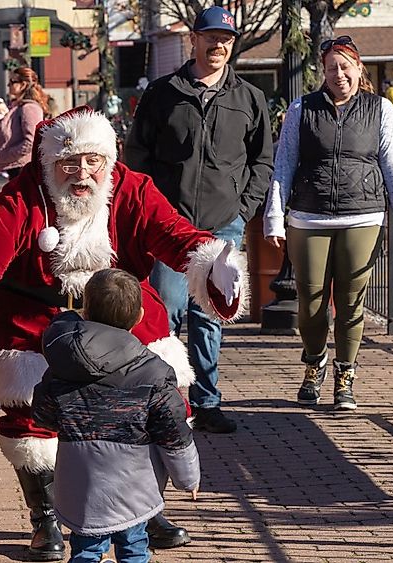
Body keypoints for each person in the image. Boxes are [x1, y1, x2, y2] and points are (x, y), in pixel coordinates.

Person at [0, 107, 247, 559]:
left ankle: (144, 509)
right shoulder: (22, 195)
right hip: (37, 320)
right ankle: (47, 519)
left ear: (108, 159)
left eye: (93, 161)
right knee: (32, 419)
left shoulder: (132, 187)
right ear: (48, 164)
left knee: (163, 400)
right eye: (69, 163)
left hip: (122, 311)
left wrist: (212, 262)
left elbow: (174, 234)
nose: (83, 174)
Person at [125, 6, 274, 434]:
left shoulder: (249, 98)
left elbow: (262, 161)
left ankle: (207, 403)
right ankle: (165, 401)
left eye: (226, 39)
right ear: (194, 38)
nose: (219, 45)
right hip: (170, 226)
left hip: (223, 225)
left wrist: (243, 208)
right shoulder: (162, 93)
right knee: (166, 313)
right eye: (211, 37)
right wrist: (152, 209)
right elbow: (137, 157)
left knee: (211, 317)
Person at [263, 35, 393, 410]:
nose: (339, 75)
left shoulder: (380, 110)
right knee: (312, 303)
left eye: (345, 67)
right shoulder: (302, 109)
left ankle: (345, 377)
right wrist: (275, 219)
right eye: (332, 68)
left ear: (359, 68)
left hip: (363, 217)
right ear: (323, 71)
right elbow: (283, 165)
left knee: (351, 303)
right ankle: (313, 363)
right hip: (308, 217)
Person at [32, 268, 200, 562]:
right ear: (139, 317)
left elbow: (43, 414)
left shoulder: (63, 362)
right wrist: (188, 479)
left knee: (85, 551)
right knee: (134, 548)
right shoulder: (153, 372)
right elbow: (174, 434)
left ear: (84, 311)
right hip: (133, 487)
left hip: (79, 486)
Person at [0, 66, 48, 179]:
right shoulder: (17, 106)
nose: (8, 85)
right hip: (16, 167)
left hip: (24, 167)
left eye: (12, 82)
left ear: (23, 84)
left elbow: (32, 141)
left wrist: (7, 154)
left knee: (22, 196)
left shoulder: (29, 108)